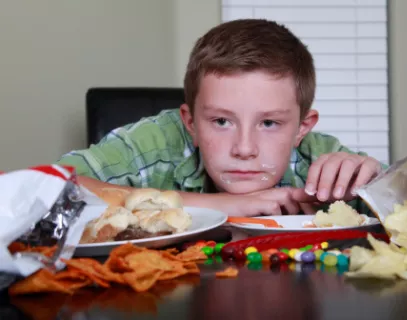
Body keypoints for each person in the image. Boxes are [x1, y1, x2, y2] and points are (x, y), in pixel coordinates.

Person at [56, 19, 385, 217]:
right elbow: (44, 187)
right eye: (222, 121)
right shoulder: (156, 142)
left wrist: (381, 186)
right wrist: (220, 205)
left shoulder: (320, 161)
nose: (244, 149)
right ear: (190, 123)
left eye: (269, 123)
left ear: (302, 128)